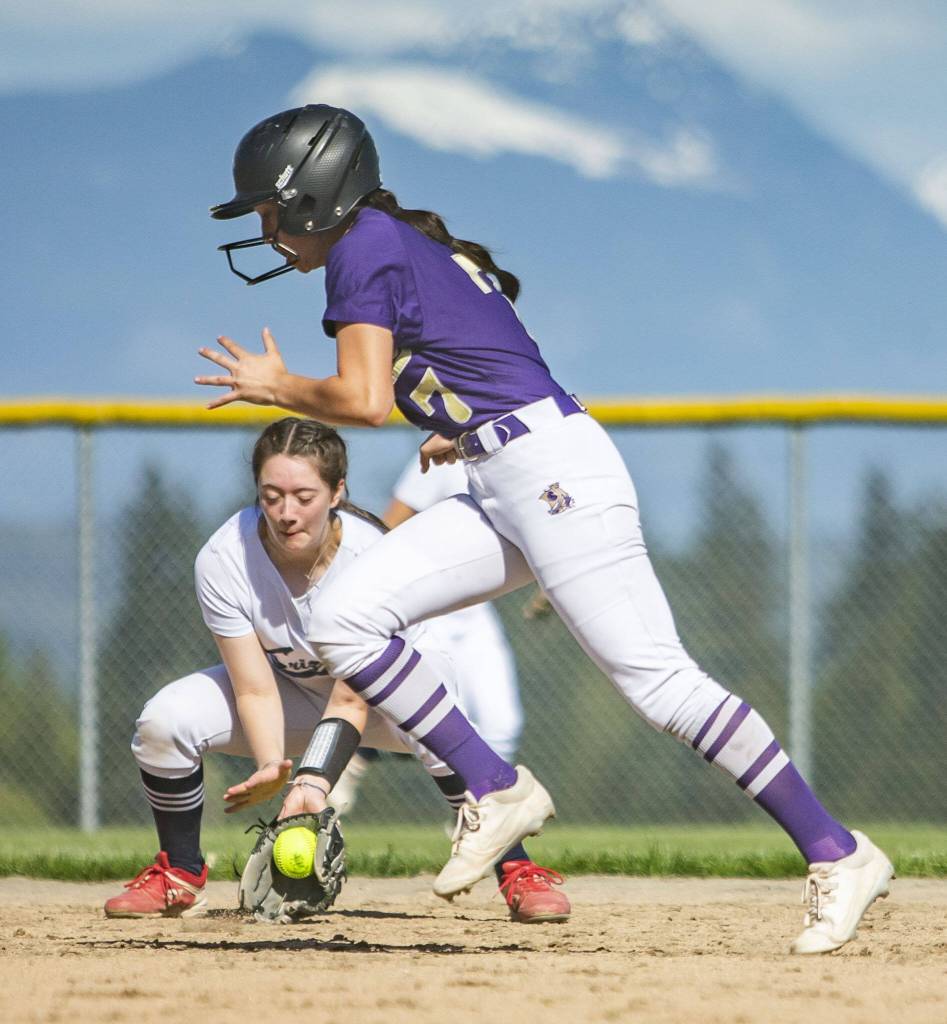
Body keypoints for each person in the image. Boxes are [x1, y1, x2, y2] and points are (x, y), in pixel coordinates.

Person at [198, 104, 894, 954]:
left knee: (660, 686)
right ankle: (493, 789)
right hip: (509, 471)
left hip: (549, 475)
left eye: (270, 209)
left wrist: (279, 386)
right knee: (344, 614)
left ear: (311, 197)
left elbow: (363, 402)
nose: (266, 228)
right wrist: (467, 418)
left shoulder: (362, 247)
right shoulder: (392, 240)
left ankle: (838, 852)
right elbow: (492, 354)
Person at [103, 418, 568, 924]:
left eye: (304, 495)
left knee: (440, 724)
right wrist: (269, 766)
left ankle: (518, 869)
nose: (285, 512)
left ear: (336, 492)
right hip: (292, 691)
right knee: (163, 721)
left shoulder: (373, 553)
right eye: (271, 494)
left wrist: (313, 780)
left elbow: (352, 698)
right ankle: (179, 875)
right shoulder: (224, 557)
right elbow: (255, 688)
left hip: (390, 697)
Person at [329, 455, 524, 816]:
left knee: (502, 724)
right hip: (429, 610)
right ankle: (346, 769)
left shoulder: (509, 460)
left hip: (476, 611)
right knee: (427, 719)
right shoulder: (444, 459)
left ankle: (480, 823)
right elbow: (388, 525)